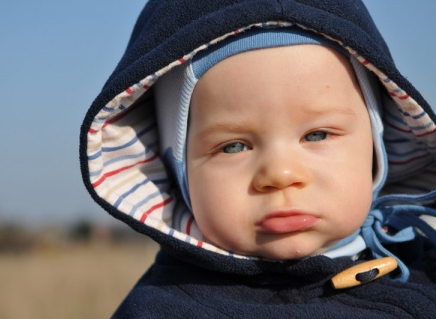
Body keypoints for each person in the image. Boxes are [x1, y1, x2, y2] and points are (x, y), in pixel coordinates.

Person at [79, 1, 436, 318]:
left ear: (377, 146)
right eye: (234, 146)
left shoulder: (424, 273)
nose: (280, 174)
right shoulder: (160, 308)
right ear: (178, 169)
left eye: (317, 135)